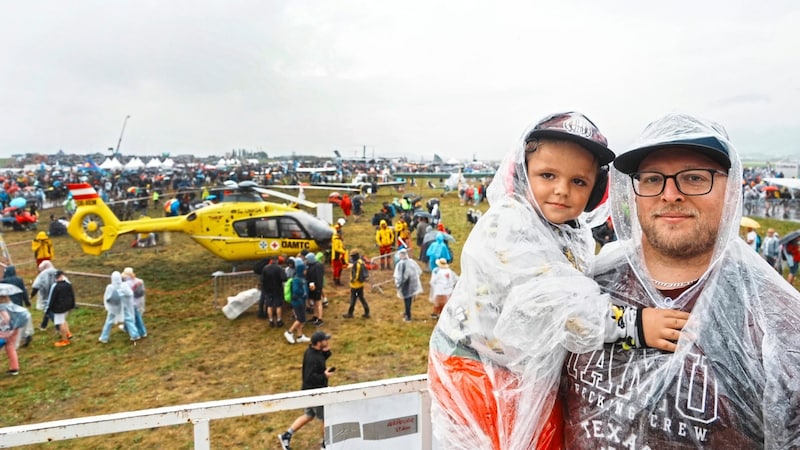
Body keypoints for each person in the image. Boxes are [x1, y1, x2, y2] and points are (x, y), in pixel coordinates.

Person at [428, 112, 688, 449]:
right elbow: (558, 304)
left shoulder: (569, 229)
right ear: (521, 176)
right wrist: (636, 325)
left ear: (596, 191)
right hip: (475, 368)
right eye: (547, 175)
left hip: (512, 368)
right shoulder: (510, 224)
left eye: (579, 182)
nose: (562, 190)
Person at [560, 113, 800, 448]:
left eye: (695, 178)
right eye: (652, 179)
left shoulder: (775, 323)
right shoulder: (586, 283)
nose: (670, 194)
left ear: (731, 188)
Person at [278, 331, 334, 450]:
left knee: (309, 415)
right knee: (326, 418)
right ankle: (325, 444)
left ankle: (286, 435)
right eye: (325, 340)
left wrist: (327, 351)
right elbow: (309, 377)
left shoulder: (312, 352)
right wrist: (324, 376)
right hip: (315, 393)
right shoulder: (313, 358)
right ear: (319, 343)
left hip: (307, 392)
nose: (327, 341)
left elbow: (321, 358)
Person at [0, 294, 31, 375]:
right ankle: (14, 368)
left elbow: (6, 318)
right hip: (15, 328)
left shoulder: (1, 307)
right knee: (10, 347)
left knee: (8, 347)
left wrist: (3, 322)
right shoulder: (10, 305)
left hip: (5, 331)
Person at [2, 266, 32, 347]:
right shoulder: (19, 280)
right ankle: (26, 335)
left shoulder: (3, 281)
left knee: (12, 322)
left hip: (8, 304)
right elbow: (23, 291)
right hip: (19, 303)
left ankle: (14, 340)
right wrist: (27, 301)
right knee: (20, 320)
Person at [284, 259, 311, 344]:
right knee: (300, 319)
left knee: (302, 319)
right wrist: (303, 292)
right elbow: (296, 291)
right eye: (305, 270)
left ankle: (300, 336)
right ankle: (289, 332)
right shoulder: (296, 279)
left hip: (301, 301)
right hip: (297, 302)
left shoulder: (302, 279)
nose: (306, 271)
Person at [393, 248, 423, 322]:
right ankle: (406, 312)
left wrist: (398, 284)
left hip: (405, 285)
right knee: (408, 299)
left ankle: (408, 316)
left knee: (407, 300)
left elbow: (400, 276)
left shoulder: (401, 264)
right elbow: (419, 271)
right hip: (412, 284)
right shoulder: (412, 262)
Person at [46, 270, 75, 347]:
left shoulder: (56, 286)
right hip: (67, 306)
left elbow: (52, 298)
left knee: (60, 323)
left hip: (59, 308)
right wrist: (72, 305)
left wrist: (49, 308)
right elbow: (72, 295)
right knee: (63, 320)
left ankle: (65, 340)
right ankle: (68, 333)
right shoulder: (68, 284)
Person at [342, 249, 370, 319]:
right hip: (360, 284)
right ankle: (367, 312)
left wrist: (352, 280)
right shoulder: (360, 261)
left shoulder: (356, 264)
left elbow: (356, 274)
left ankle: (350, 313)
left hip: (355, 285)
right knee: (361, 298)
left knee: (353, 299)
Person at [31, 260, 58, 331]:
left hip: (47, 295)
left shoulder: (42, 274)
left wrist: (31, 295)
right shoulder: (57, 272)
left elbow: (36, 286)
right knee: (49, 310)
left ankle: (58, 325)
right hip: (57, 294)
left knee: (48, 310)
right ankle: (43, 325)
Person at [261, 257, 287, 328]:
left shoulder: (265, 268)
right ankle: (279, 320)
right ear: (277, 261)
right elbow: (284, 278)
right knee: (278, 305)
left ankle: (271, 320)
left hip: (268, 289)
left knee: (269, 305)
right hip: (277, 289)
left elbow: (262, 279)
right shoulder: (279, 268)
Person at [121, 267, 147, 339]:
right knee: (132, 316)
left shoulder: (125, 284)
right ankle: (126, 328)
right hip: (140, 301)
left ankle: (141, 332)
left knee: (135, 317)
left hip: (131, 303)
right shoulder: (140, 281)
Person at [304, 253, 325, 326]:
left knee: (318, 302)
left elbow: (319, 278)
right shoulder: (310, 266)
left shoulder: (318, 266)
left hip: (317, 287)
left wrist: (318, 287)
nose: (305, 261)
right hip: (312, 287)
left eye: (307, 259)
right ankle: (315, 316)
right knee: (314, 302)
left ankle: (320, 318)